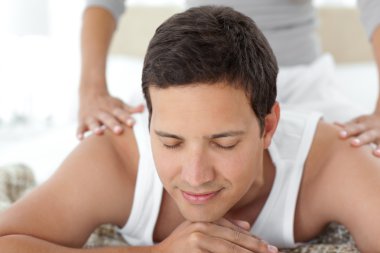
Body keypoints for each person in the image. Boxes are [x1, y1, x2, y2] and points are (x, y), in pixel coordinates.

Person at [1, 6, 380, 252]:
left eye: (224, 143)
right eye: (170, 142)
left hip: (304, 73)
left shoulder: (331, 159)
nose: (196, 176)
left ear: (268, 128)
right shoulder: (114, 159)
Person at [78, 0, 380, 157]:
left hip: (300, 82)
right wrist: (92, 91)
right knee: (103, 151)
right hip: (198, 79)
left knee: (367, 157)